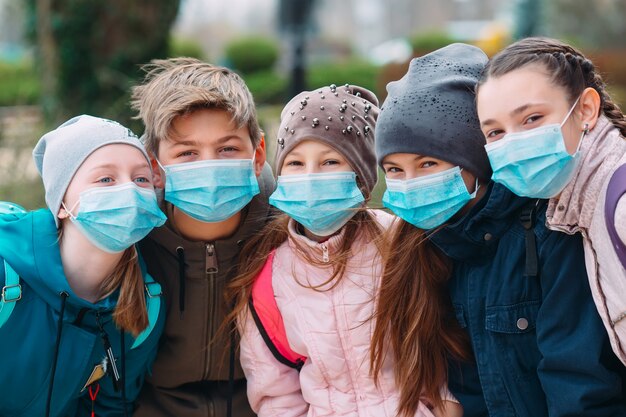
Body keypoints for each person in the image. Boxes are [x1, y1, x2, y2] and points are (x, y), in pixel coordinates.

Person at [374, 43, 626, 417]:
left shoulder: (554, 225)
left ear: (475, 158)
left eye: (428, 163)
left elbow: (577, 380)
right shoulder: (429, 246)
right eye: (394, 170)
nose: (411, 183)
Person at [228, 84, 461, 417]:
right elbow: (274, 387)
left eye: (330, 161)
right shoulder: (268, 274)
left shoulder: (404, 245)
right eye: (295, 163)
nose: (310, 176)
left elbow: (443, 344)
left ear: (362, 176)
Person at [130, 58, 274, 417]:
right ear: (154, 166)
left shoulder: (288, 235)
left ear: (258, 155)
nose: (208, 166)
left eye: (227, 149)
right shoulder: (128, 240)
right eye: (187, 153)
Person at [0, 115, 167, 417]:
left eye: (141, 178)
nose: (129, 191)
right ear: (62, 203)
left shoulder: (146, 304)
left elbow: (112, 406)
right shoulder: (5, 277)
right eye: (106, 179)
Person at [475, 36, 626, 366]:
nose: (514, 143)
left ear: (585, 109)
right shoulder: (577, 203)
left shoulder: (619, 201)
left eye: (532, 119)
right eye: (495, 132)